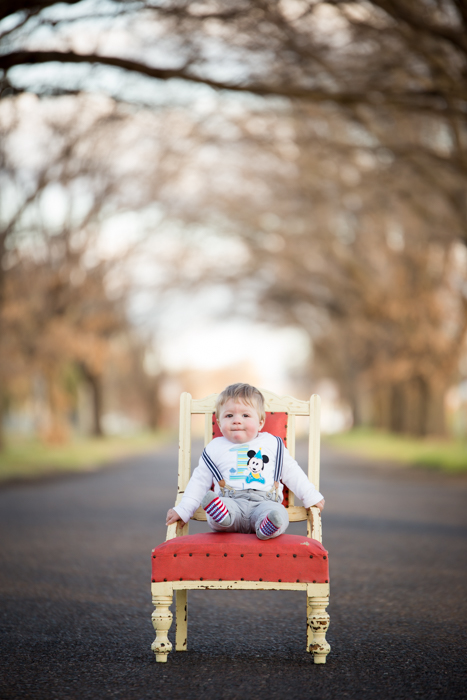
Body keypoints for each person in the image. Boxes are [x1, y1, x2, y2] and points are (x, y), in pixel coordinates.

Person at [166, 383, 325, 540]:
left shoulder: (272, 444)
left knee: (278, 513)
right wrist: (184, 510)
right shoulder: (214, 448)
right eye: (229, 416)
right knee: (217, 510)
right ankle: (221, 517)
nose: (236, 420)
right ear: (220, 423)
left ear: (260, 422)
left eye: (245, 415)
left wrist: (310, 495)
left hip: (264, 503)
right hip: (230, 505)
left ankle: (267, 526)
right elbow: (198, 482)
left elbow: (292, 472)